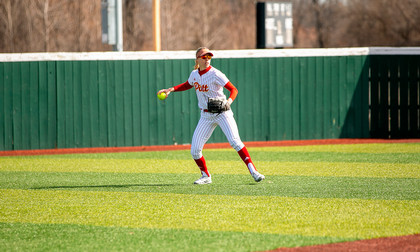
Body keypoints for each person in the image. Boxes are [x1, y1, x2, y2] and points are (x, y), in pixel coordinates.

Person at [157, 47, 265, 184]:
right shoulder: (194, 74)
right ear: (197, 59)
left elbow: (233, 89)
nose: (207, 59)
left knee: (235, 141)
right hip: (206, 116)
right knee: (195, 150)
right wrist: (171, 89)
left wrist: (228, 102)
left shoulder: (215, 74)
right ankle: (205, 176)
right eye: (204, 57)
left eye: (209, 57)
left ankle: (254, 172)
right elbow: (188, 84)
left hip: (222, 112)